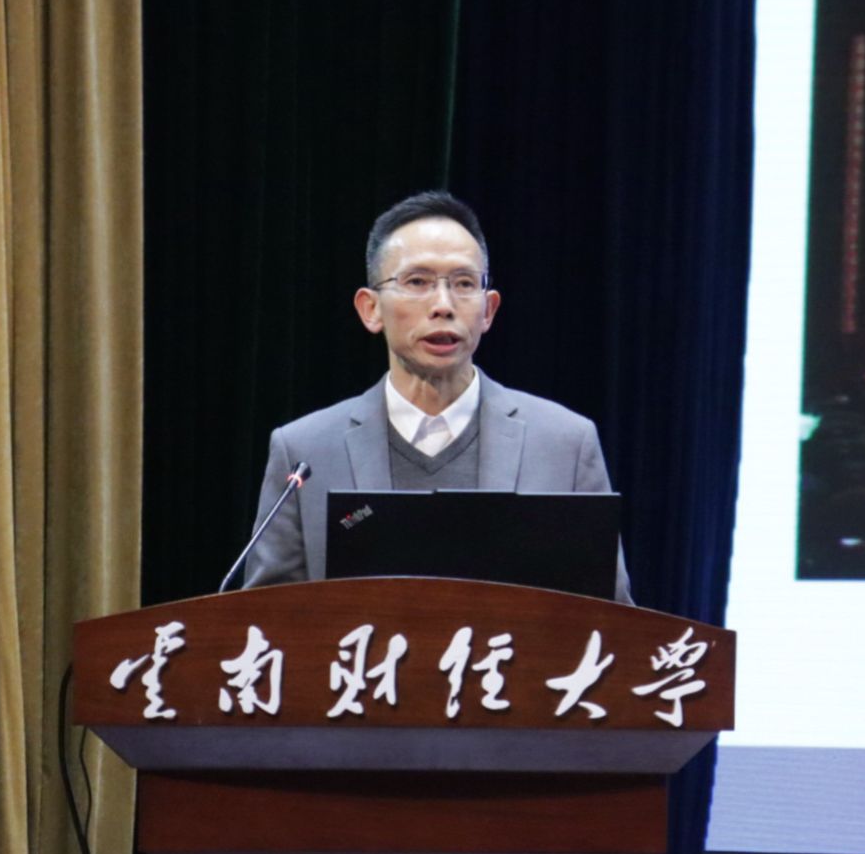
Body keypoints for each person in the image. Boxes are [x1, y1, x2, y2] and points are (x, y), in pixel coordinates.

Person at [242, 190, 632, 603]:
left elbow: (612, 623)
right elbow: (266, 624)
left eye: (463, 284)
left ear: (488, 310)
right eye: (417, 282)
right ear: (370, 309)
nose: (443, 305)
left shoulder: (564, 445)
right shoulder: (306, 452)